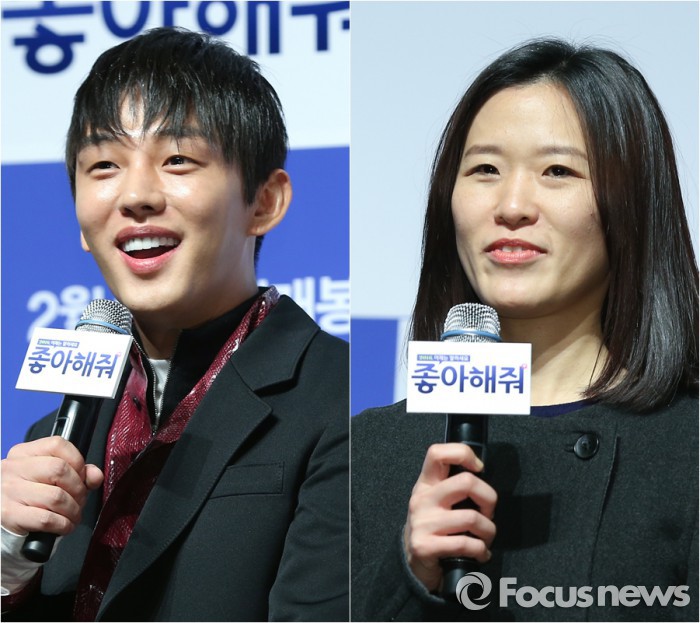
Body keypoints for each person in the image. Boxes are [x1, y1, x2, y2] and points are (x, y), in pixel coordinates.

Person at [1, 27, 349, 622]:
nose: (135, 195)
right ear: (81, 222)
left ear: (264, 202)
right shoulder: (57, 437)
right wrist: (9, 572)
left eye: (178, 160)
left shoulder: (341, 399)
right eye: (104, 165)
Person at [352, 38, 698, 621]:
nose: (511, 205)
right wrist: (409, 577)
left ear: (631, 203)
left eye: (557, 171)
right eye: (485, 169)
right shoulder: (367, 451)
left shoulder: (686, 447)